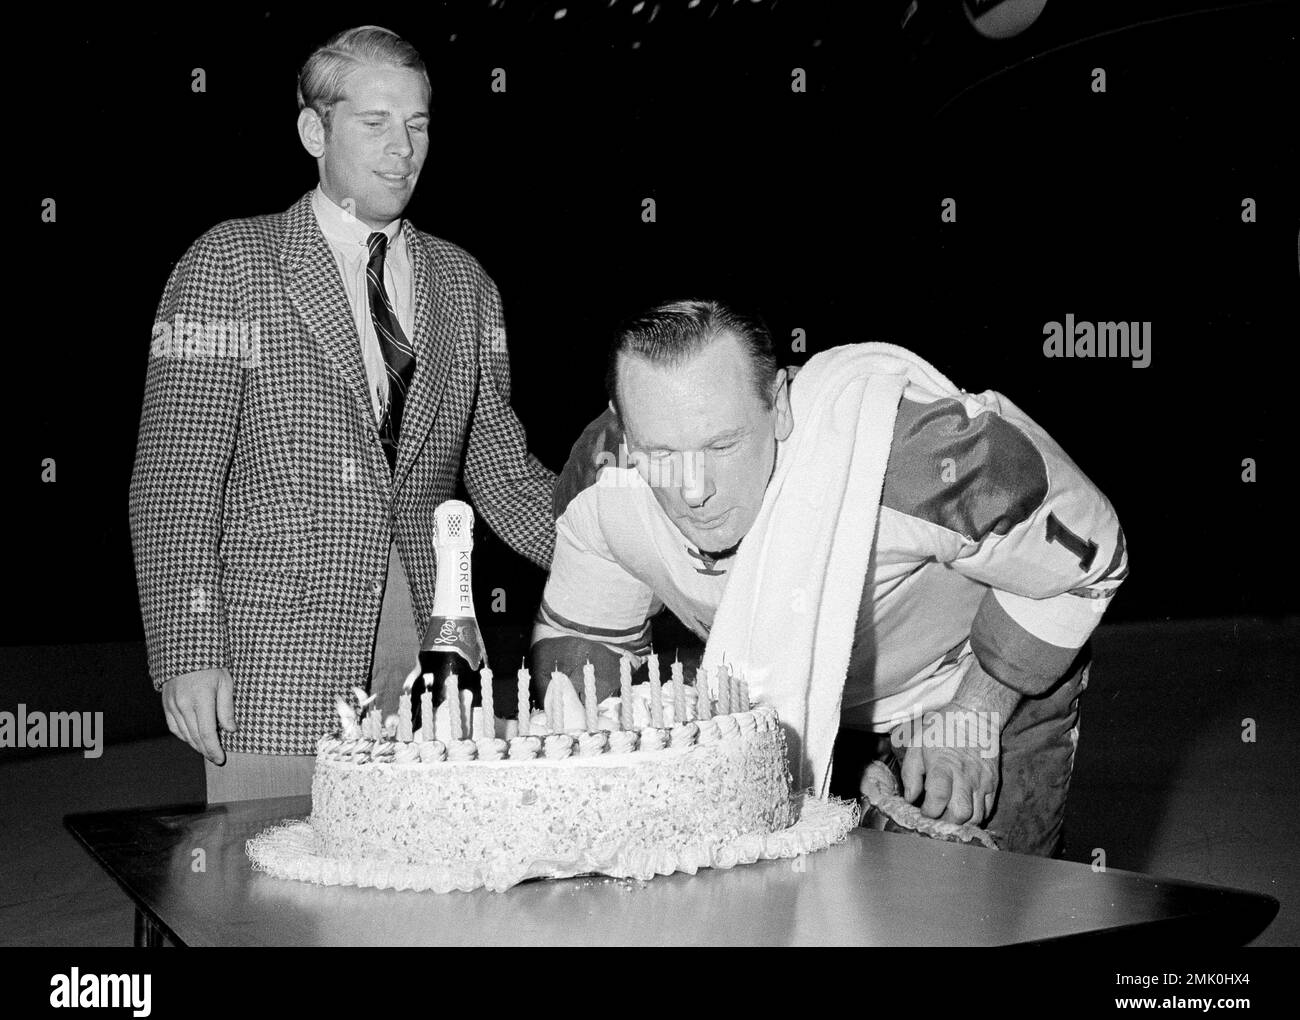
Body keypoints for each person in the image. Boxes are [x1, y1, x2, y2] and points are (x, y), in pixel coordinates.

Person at [130, 26, 556, 803]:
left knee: (428, 898)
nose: (404, 148)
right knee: (273, 908)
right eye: (375, 123)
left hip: (436, 656)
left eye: (419, 124)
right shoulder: (230, 262)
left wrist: (631, 546)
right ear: (312, 130)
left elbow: (504, 476)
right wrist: (188, 648)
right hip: (274, 662)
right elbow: (174, 481)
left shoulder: (467, 285)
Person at [533, 300, 1128, 856]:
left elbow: (1093, 554)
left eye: (723, 444)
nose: (695, 491)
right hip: (803, 708)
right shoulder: (601, 480)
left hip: (969, 688)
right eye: (661, 452)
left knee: (981, 922)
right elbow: (587, 652)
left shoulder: (925, 458)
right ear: (623, 428)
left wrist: (974, 715)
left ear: (780, 403)